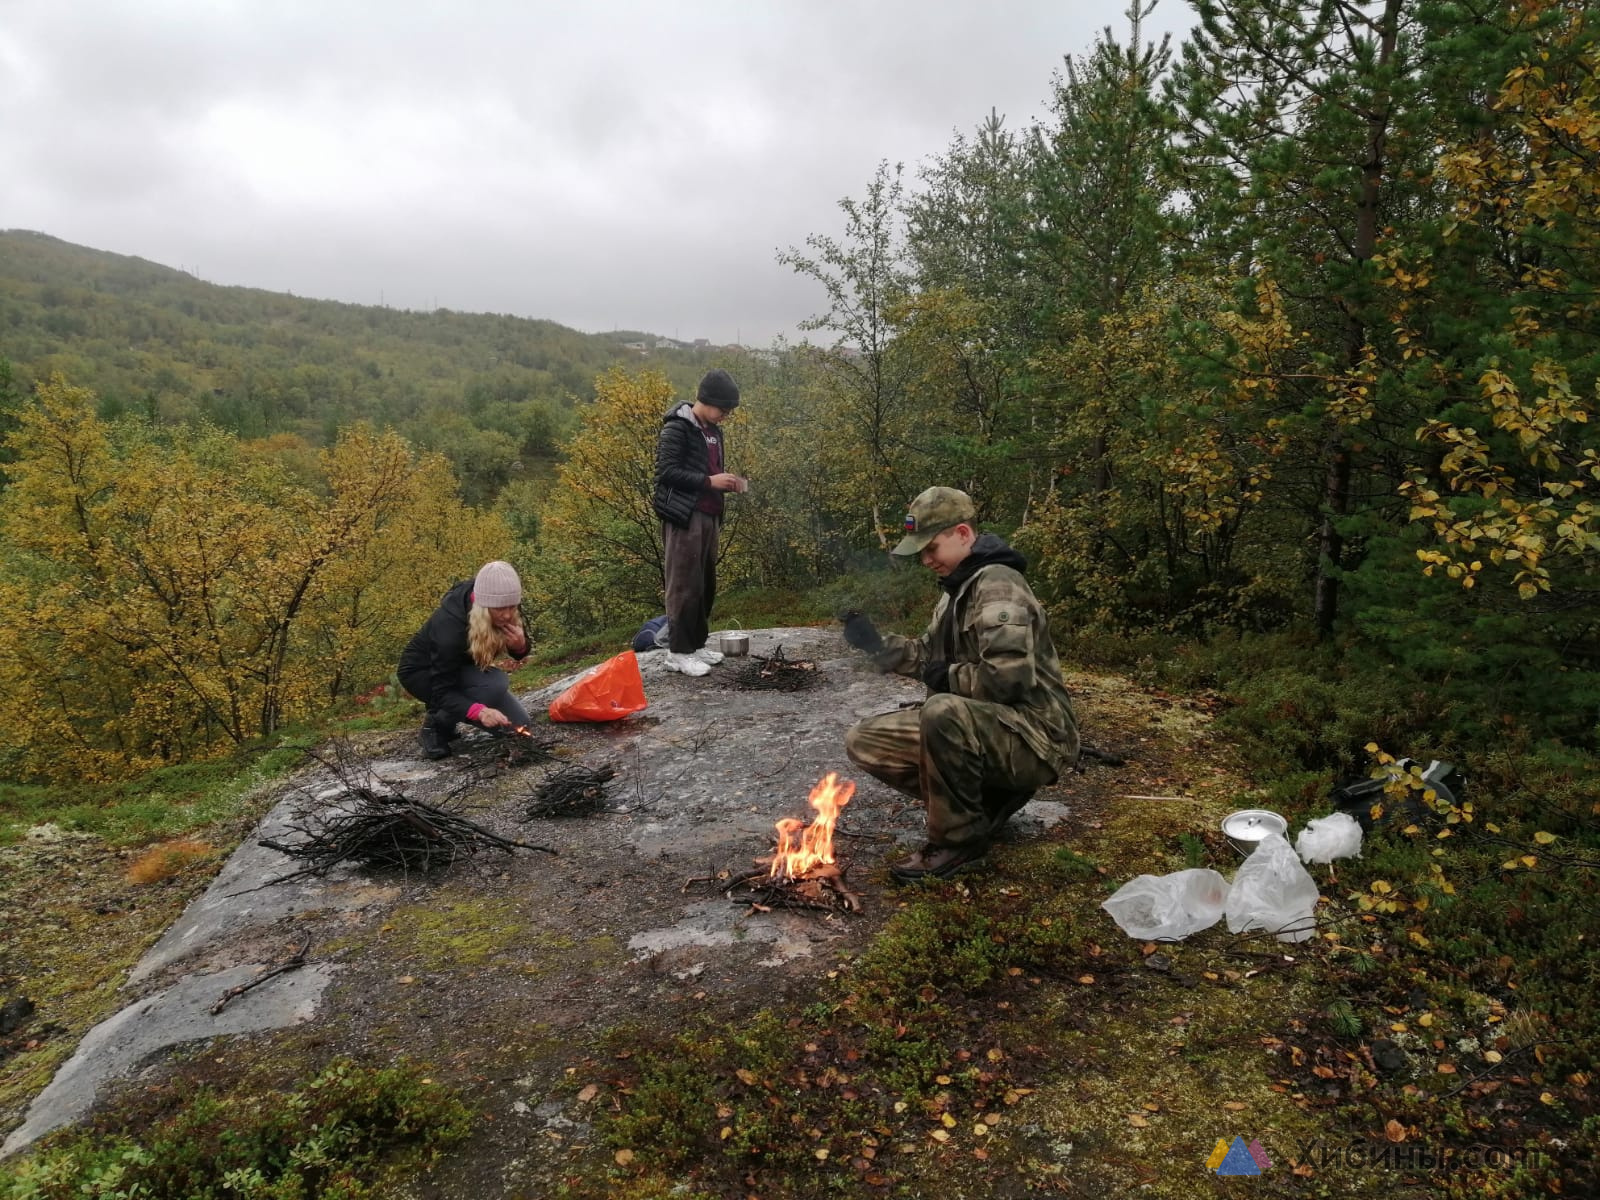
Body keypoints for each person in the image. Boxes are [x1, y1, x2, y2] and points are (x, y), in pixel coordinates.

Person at [841, 487, 1079, 881]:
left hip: (1035, 736)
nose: (926, 559)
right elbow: (927, 656)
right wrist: (878, 645)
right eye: (921, 552)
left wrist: (944, 677)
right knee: (865, 739)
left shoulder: (999, 586)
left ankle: (959, 840)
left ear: (964, 534)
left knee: (941, 710)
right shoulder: (956, 588)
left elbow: (1008, 681)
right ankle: (986, 800)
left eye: (932, 547)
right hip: (992, 727)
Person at [652, 367, 746, 677]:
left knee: (705, 583)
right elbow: (666, 473)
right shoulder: (678, 428)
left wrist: (730, 483)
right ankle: (677, 652)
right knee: (684, 585)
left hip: (710, 514)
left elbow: (711, 472)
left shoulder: (714, 432)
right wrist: (709, 482)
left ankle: (697, 644)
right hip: (684, 515)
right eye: (723, 409)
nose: (726, 415)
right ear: (706, 400)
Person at [398, 560, 532, 760]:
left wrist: (520, 646)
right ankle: (436, 724)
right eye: (499, 609)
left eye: (511, 607)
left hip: (459, 668)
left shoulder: (496, 596)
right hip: (422, 673)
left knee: (519, 727)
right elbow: (442, 690)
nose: (506, 615)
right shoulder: (449, 629)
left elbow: (518, 650)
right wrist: (479, 712)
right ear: (483, 606)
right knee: (495, 684)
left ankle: (452, 713)